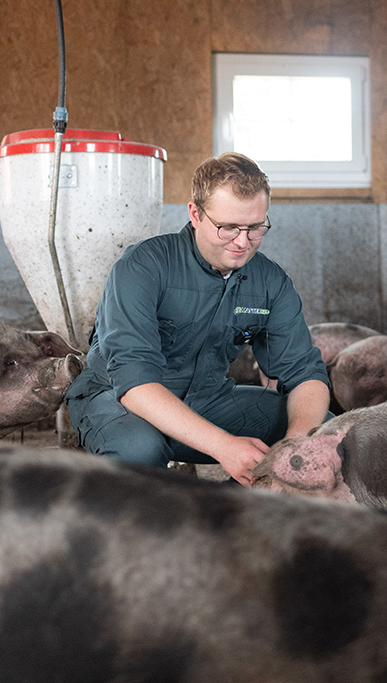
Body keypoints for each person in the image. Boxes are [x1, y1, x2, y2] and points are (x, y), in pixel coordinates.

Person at [64, 152, 331, 485]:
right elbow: (133, 381)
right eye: (228, 227)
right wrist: (224, 447)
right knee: (139, 452)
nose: (242, 243)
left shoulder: (271, 282)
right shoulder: (144, 267)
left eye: (256, 228)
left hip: (207, 400)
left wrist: (296, 444)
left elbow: (306, 373)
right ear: (195, 214)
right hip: (118, 402)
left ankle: (228, 513)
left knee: (325, 432)